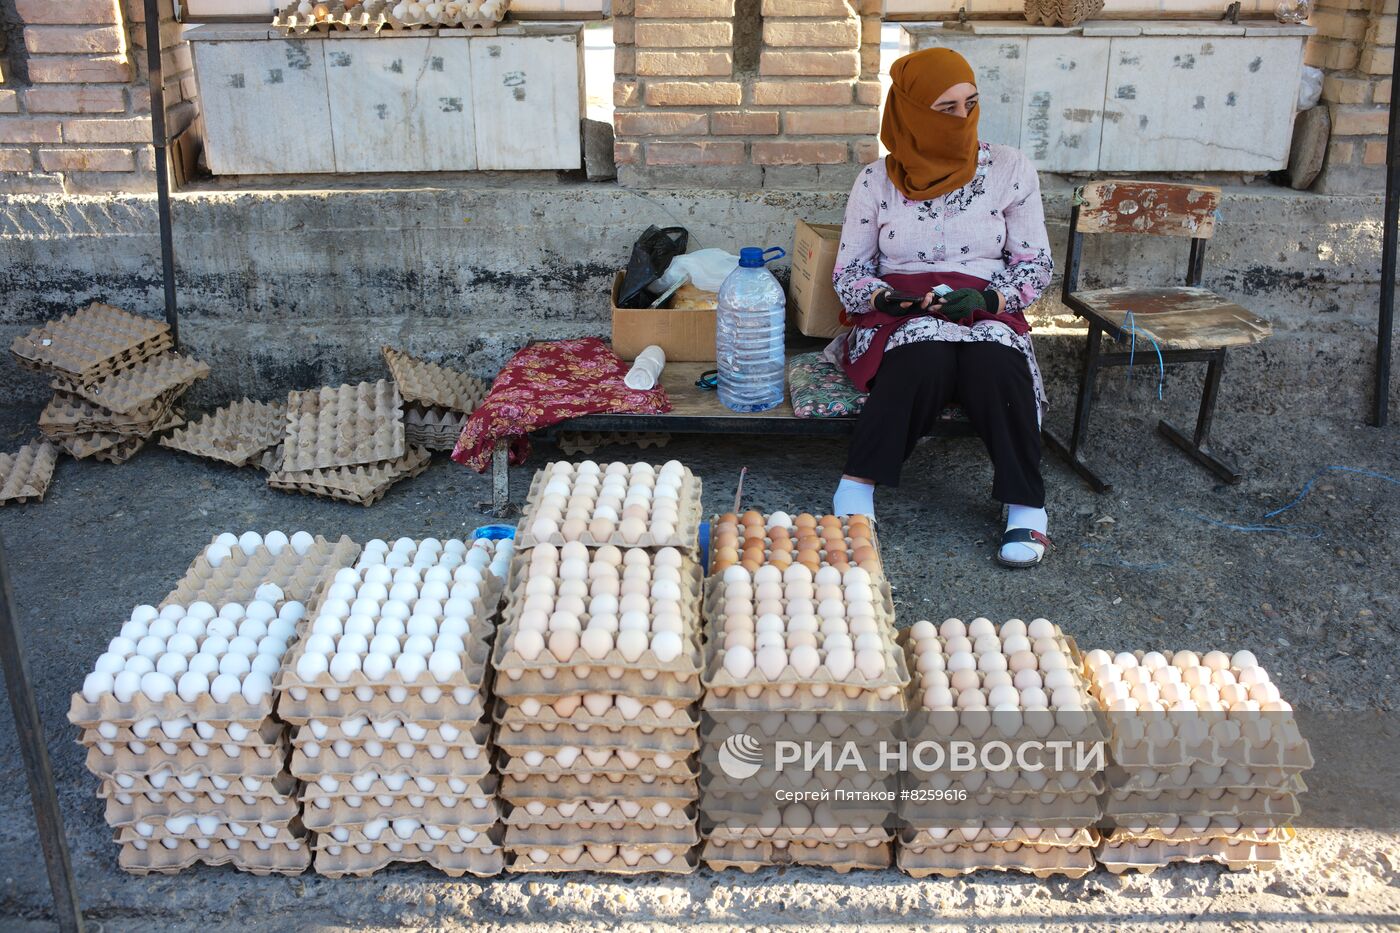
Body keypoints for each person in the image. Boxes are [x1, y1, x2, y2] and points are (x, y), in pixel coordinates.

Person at [829, 47, 1055, 568]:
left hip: (986, 305)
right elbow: (849, 273)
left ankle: (1026, 506)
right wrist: (890, 298)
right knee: (923, 355)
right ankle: (858, 486)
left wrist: (992, 298)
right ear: (909, 112)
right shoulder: (875, 181)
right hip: (900, 312)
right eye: (944, 108)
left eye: (969, 105)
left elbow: (1035, 263)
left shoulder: (1010, 170)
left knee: (996, 361)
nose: (961, 119)